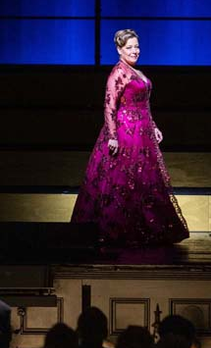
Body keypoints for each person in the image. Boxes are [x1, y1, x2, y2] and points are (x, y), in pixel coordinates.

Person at [71, 29, 189, 245]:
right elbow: (109, 106)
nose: (135, 51)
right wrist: (113, 136)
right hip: (126, 133)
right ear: (119, 50)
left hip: (142, 133)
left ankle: (143, 228)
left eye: (136, 46)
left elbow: (145, 104)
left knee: (143, 181)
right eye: (129, 47)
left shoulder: (136, 72)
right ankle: (118, 230)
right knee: (124, 182)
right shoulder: (118, 73)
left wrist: (153, 126)